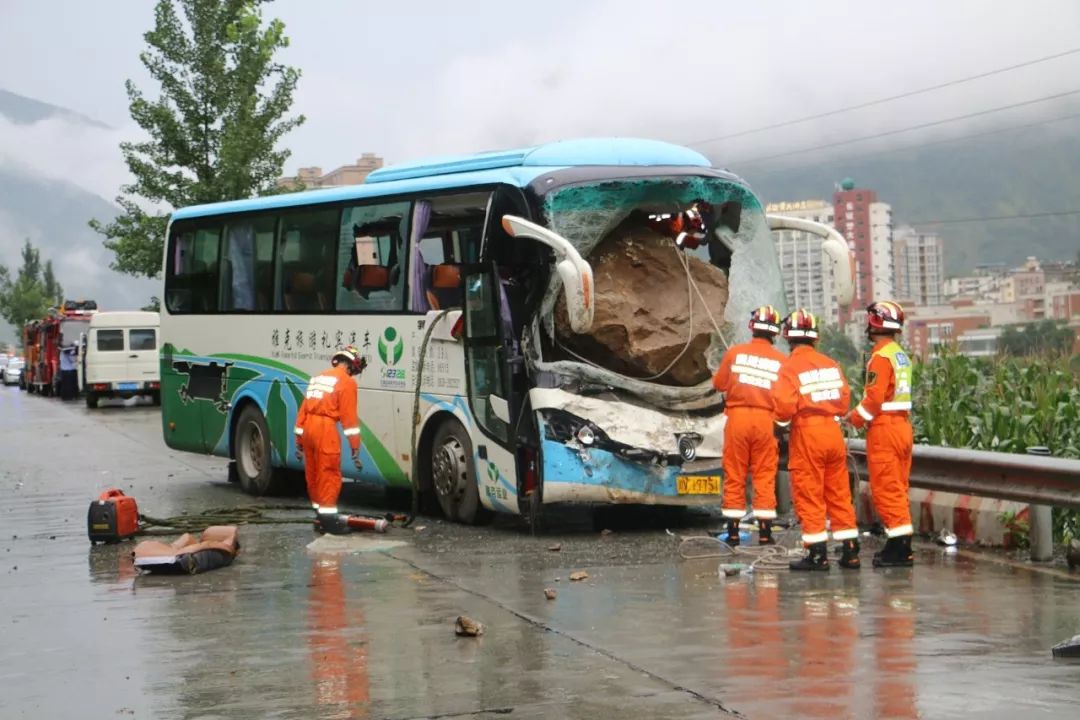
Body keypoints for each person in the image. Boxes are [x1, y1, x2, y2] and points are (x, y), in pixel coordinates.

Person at [772, 309, 860, 571]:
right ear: (815, 338)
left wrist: (779, 427)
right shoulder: (831, 364)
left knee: (809, 494)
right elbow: (844, 400)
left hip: (808, 434)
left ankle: (817, 555)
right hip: (834, 434)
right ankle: (851, 551)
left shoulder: (789, 367)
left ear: (788, 338)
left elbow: (785, 408)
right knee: (839, 494)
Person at [846, 301, 915, 567]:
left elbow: (873, 400)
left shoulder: (881, 356)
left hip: (885, 429)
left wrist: (854, 418)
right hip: (902, 428)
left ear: (874, 324)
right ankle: (898, 545)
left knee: (887, 490)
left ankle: (900, 550)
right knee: (898, 488)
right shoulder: (900, 355)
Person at [712, 305, 787, 545]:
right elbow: (785, 398)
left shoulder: (735, 353)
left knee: (735, 475)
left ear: (752, 327)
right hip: (766, 421)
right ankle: (765, 533)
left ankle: (733, 533)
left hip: (737, 419)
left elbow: (719, 384)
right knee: (764, 475)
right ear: (775, 332)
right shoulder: (781, 361)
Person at [294, 345, 367, 535]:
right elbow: (349, 419)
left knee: (314, 473)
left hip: (309, 427)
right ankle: (328, 522)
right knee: (329, 473)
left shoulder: (319, 377)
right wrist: (355, 448)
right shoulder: (347, 382)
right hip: (325, 430)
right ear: (351, 365)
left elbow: (303, 411)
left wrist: (299, 442)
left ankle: (319, 514)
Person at [58, 336, 79, 401]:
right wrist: (75, 355)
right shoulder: (69, 353)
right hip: (70, 370)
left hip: (64, 370)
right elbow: (73, 360)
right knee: (71, 385)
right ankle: (71, 396)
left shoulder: (62, 353)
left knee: (65, 385)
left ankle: (65, 396)